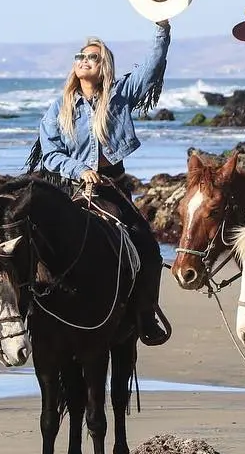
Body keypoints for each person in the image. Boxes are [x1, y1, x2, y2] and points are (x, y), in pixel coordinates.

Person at [36, 22, 173, 346]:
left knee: (148, 250)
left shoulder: (120, 94)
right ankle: (32, 312)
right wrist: (79, 169)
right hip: (72, 188)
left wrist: (162, 29)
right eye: (81, 56)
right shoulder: (59, 108)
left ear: (104, 67)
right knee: (36, 247)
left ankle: (144, 315)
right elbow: (49, 153)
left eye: (93, 57)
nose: (84, 60)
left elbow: (152, 67)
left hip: (112, 188)